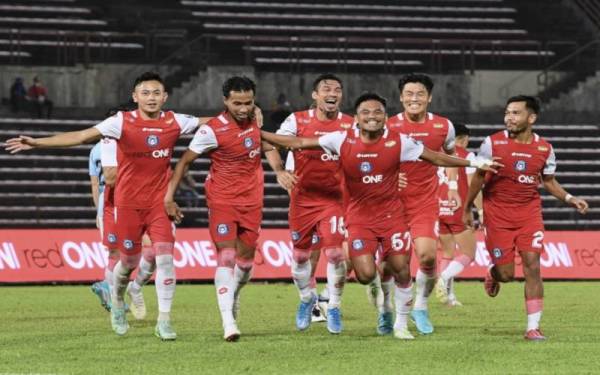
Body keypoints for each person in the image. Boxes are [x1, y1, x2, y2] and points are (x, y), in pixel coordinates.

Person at [261, 92, 500, 339]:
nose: (372, 117)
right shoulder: (340, 139)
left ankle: (401, 323)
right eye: (366, 112)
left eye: (377, 112)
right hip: (359, 219)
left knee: (402, 270)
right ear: (356, 118)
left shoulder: (400, 141)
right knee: (365, 275)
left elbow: (436, 156)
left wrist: (474, 164)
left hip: (392, 218)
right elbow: (298, 143)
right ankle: (382, 301)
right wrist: (258, 133)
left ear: (385, 117)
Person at [5, 72, 203, 340]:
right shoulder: (121, 121)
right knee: (128, 261)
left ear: (165, 97)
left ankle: (165, 321)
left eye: (157, 93)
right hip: (127, 204)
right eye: (145, 93)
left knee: (165, 258)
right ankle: (118, 302)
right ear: (135, 97)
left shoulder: (174, 121)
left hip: (158, 204)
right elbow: (82, 136)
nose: (151, 98)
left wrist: (249, 118)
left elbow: (212, 124)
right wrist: (38, 142)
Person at [463, 95, 588, 341]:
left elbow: (548, 182)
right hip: (497, 216)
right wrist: (467, 207)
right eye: (507, 112)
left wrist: (570, 198)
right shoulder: (492, 143)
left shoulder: (545, 148)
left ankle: (533, 327)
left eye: (516, 113)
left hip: (528, 214)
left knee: (533, 266)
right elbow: (478, 177)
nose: (509, 117)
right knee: (507, 273)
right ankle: (493, 273)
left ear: (531, 118)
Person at [164, 76, 264, 342]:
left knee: (245, 262)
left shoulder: (256, 118)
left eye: (248, 102)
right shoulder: (211, 131)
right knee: (227, 257)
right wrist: (169, 197)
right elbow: (184, 161)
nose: (243, 108)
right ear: (225, 101)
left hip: (252, 201)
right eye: (237, 103)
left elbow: (263, 143)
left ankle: (235, 293)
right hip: (222, 201)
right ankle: (228, 323)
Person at [264, 73, 354, 334]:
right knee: (302, 256)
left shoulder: (351, 124)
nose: (333, 93)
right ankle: (307, 300)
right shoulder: (297, 120)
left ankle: (334, 306)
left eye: (337, 89)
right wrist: (280, 170)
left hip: (334, 199)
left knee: (336, 253)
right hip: (302, 199)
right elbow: (270, 143)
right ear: (315, 95)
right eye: (326, 89)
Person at [385, 73, 459, 335]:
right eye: (408, 94)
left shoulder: (443, 126)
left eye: (419, 94)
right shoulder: (387, 125)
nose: (413, 99)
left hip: (424, 202)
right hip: (391, 203)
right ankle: (386, 308)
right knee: (394, 264)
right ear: (401, 97)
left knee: (427, 256)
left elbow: (451, 156)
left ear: (429, 97)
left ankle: (420, 306)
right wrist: (392, 175)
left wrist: (452, 187)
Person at [434, 123, 482, 306]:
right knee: (469, 254)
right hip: (457, 210)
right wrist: (481, 210)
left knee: (447, 253)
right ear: (464, 138)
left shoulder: (437, 154)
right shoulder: (467, 156)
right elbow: (473, 186)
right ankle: (443, 277)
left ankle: (449, 298)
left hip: (438, 209)